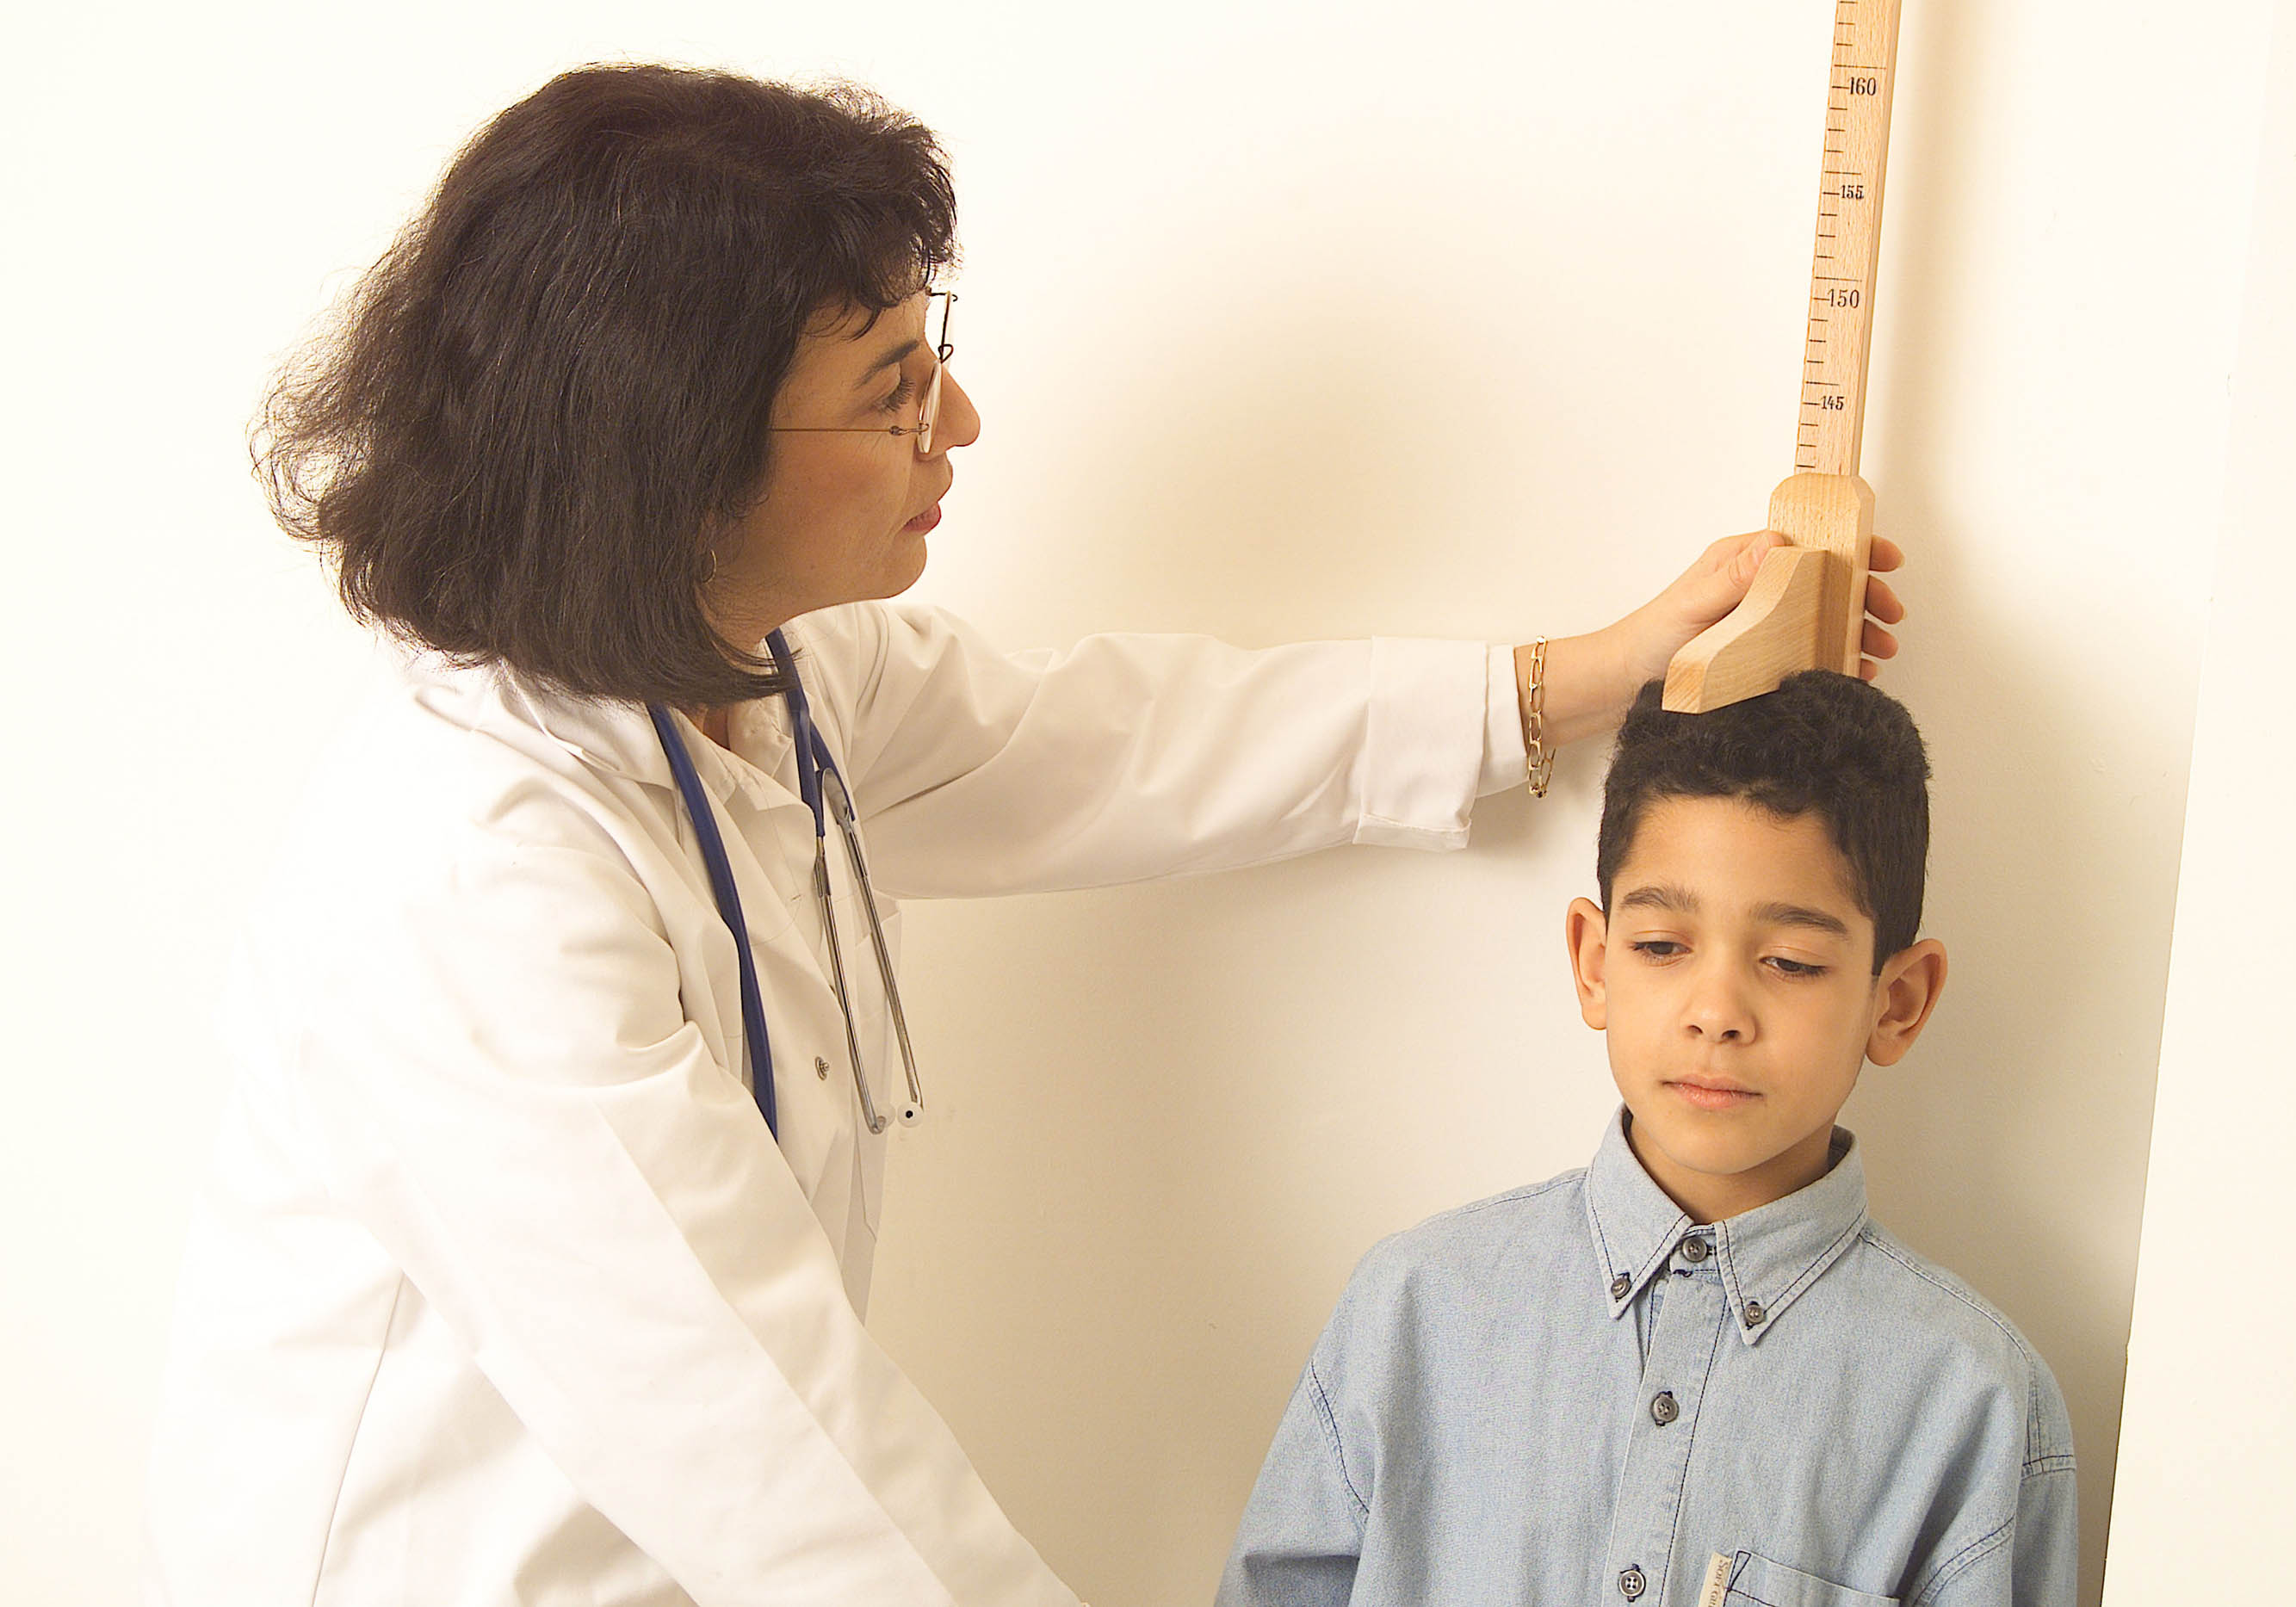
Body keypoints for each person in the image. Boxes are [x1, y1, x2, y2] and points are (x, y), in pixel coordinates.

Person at [143, 65, 1906, 1607]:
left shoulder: (772, 678)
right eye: (891, 386)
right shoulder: (472, 880)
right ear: (675, 455)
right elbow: (765, 1433)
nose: (958, 425)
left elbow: (1118, 741)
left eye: (939, 360)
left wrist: (1579, 676)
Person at [1217, 671, 2076, 1607]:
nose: (1716, 1011)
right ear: (1594, 962)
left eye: (1790, 961)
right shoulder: (1416, 1307)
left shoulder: (1972, 1398)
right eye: (1662, 946)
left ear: (1896, 1000)